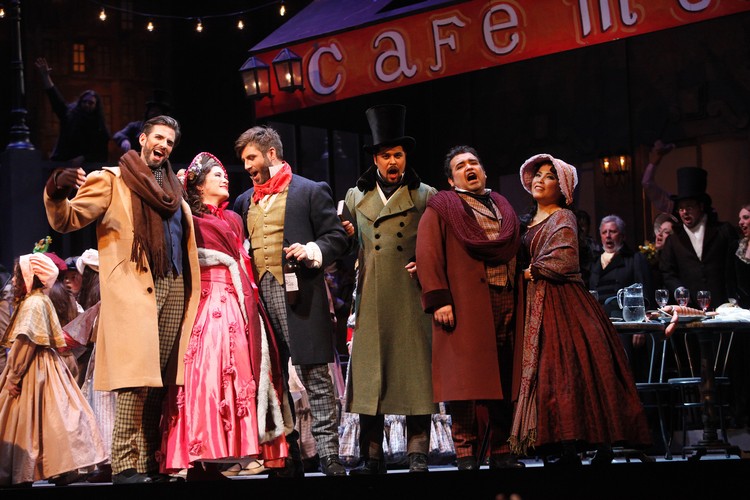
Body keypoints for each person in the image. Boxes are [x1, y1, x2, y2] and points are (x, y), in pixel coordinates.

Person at [43, 115, 201, 485]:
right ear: (143, 139)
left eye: (170, 142)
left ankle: (149, 462)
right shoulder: (112, 180)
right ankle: (124, 464)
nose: (163, 146)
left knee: (159, 379)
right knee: (134, 380)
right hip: (134, 289)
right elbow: (67, 219)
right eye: (158, 137)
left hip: (174, 285)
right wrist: (56, 189)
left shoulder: (174, 191)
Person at [509, 153, 651, 466]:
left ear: (562, 189)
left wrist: (531, 272)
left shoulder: (563, 217)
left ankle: (590, 444)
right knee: (546, 374)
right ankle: (560, 446)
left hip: (563, 301)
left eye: (549, 176)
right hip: (534, 304)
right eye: (537, 174)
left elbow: (563, 260)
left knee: (568, 371)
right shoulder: (524, 222)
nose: (540, 180)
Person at [160, 152, 290, 480]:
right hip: (205, 299)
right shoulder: (187, 215)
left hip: (236, 298)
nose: (224, 177)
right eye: (216, 174)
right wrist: (176, 184)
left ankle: (233, 449)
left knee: (241, 370)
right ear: (198, 184)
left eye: (224, 173)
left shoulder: (233, 218)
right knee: (205, 371)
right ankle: (202, 451)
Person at [232, 126, 349, 478]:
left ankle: (329, 455)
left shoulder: (309, 191)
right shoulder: (244, 201)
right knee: (274, 378)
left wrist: (313, 249)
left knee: (315, 374)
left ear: (271, 154)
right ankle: (288, 455)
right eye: (243, 160)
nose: (247, 166)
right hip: (260, 300)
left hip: (302, 295)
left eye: (251, 158)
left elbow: (336, 237)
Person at [342, 104, 437, 474]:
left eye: (397, 154)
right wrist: (345, 237)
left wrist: (426, 265)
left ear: (405, 157)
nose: (392, 161)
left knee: (416, 374)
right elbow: (345, 249)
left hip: (410, 295)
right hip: (371, 296)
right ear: (376, 160)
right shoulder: (355, 198)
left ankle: (418, 453)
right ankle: (372, 454)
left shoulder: (425, 195)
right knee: (370, 375)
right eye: (386, 156)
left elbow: (440, 244)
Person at [415, 145, 523, 470]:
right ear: (451, 180)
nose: (469, 168)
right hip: (465, 304)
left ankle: (501, 449)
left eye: (474, 163)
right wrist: (439, 300)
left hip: (505, 298)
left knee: (502, 377)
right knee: (463, 381)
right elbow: (428, 254)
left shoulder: (503, 205)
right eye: (460, 166)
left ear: (484, 172)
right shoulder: (442, 207)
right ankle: (465, 452)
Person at [0, 252, 106, 487]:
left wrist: (14, 376)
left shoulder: (33, 303)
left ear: (32, 276)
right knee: (53, 419)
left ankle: (23, 470)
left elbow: (25, 343)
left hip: (33, 367)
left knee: (27, 420)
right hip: (47, 365)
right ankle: (61, 468)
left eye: (18, 275)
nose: (14, 280)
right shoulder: (40, 300)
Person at [659, 167, 738, 308]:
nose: (684, 212)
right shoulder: (673, 239)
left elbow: (735, 267)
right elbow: (667, 272)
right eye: (681, 208)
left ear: (701, 206)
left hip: (723, 306)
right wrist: (679, 290)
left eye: (689, 207)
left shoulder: (723, 231)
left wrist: (733, 297)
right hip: (691, 308)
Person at [34, 57, 110, 163]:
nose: (87, 105)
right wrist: (46, 77)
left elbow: (100, 152)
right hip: (63, 164)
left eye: (91, 103)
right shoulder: (70, 115)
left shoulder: (99, 127)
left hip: (87, 168)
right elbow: (56, 99)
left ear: (96, 106)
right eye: (84, 102)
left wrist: (84, 158)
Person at [589, 214, 653, 314]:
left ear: (622, 236)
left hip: (623, 316)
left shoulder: (634, 259)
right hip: (598, 316)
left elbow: (645, 294)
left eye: (612, 232)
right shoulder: (594, 262)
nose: (608, 236)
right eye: (604, 232)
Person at [641, 139, 676, 215]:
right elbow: (647, 183)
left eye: (690, 207)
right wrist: (653, 163)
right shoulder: (673, 205)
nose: (685, 212)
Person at [575, 209, 601, 288]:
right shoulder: (571, 244)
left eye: (583, 226)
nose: (581, 229)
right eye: (579, 226)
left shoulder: (593, 244)